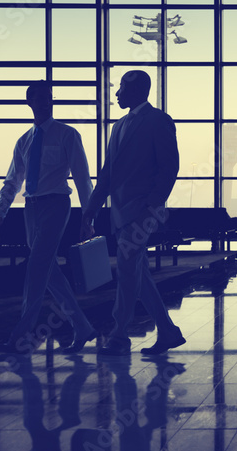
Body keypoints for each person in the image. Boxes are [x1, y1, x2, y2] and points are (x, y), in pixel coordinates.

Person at [82, 70, 185, 356]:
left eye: (121, 89)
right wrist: (90, 209)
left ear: (137, 89)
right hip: (121, 212)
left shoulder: (158, 121)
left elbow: (169, 167)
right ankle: (168, 332)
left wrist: (152, 205)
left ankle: (119, 335)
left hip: (142, 211)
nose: (116, 94)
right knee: (137, 273)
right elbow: (108, 173)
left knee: (127, 270)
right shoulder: (118, 127)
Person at [0, 81, 98, 355]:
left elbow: (83, 178)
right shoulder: (24, 141)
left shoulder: (67, 135)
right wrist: (0, 212)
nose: (46, 103)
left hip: (57, 204)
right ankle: (83, 327)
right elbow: (12, 181)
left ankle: (20, 336)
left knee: (36, 268)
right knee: (49, 271)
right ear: (29, 101)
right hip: (31, 208)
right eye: (41, 98)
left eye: (50, 98)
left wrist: (89, 216)